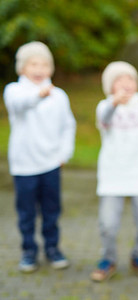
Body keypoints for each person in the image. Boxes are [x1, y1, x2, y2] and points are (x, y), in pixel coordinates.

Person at [3, 41, 76, 273]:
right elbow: (19, 105)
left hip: (50, 164)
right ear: (22, 67)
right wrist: (38, 95)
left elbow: (68, 125)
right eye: (33, 63)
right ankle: (28, 250)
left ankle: (53, 248)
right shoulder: (14, 90)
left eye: (44, 64)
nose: (39, 69)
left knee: (51, 209)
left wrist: (64, 153)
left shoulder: (60, 96)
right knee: (26, 212)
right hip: (24, 165)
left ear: (51, 68)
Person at [90, 61, 138, 282]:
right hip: (112, 175)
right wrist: (114, 102)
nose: (126, 83)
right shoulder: (103, 106)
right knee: (108, 224)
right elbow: (105, 118)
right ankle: (108, 259)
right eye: (119, 80)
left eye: (130, 78)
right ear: (110, 86)